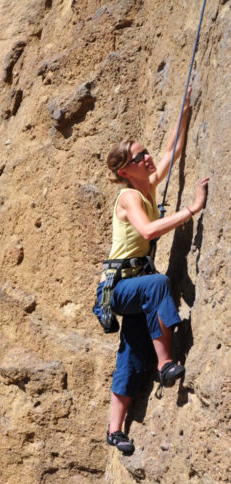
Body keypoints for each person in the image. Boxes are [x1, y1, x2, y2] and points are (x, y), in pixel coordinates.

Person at [94, 91, 209, 453]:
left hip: (134, 289)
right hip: (120, 289)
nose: (146, 157)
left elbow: (171, 153)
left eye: (144, 152)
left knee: (132, 348)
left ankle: (114, 430)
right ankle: (166, 364)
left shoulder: (146, 186)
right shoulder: (129, 197)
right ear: (123, 171)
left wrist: (185, 112)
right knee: (160, 283)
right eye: (138, 156)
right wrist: (191, 209)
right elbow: (147, 231)